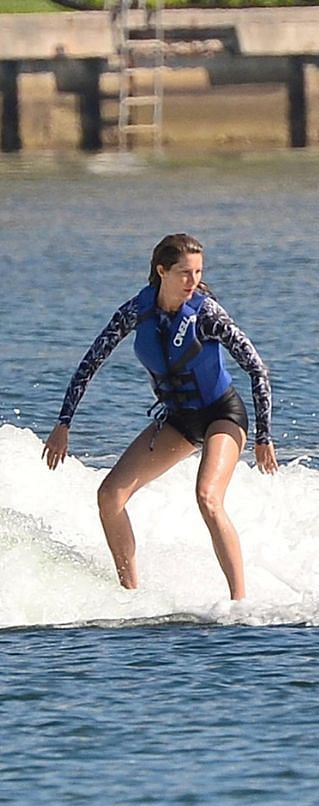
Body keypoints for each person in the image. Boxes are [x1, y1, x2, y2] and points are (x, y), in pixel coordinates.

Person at [42, 233, 277, 601]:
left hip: (222, 414)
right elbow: (90, 363)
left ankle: (239, 603)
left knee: (207, 497)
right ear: (161, 271)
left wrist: (264, 437)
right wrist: (63, 424)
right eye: (184, 273)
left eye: (198, 272)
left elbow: (257, 370)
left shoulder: (206, 314)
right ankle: (131, 596)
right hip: (179, 419)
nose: (193, 281)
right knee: (109, 496)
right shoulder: (136, 312)